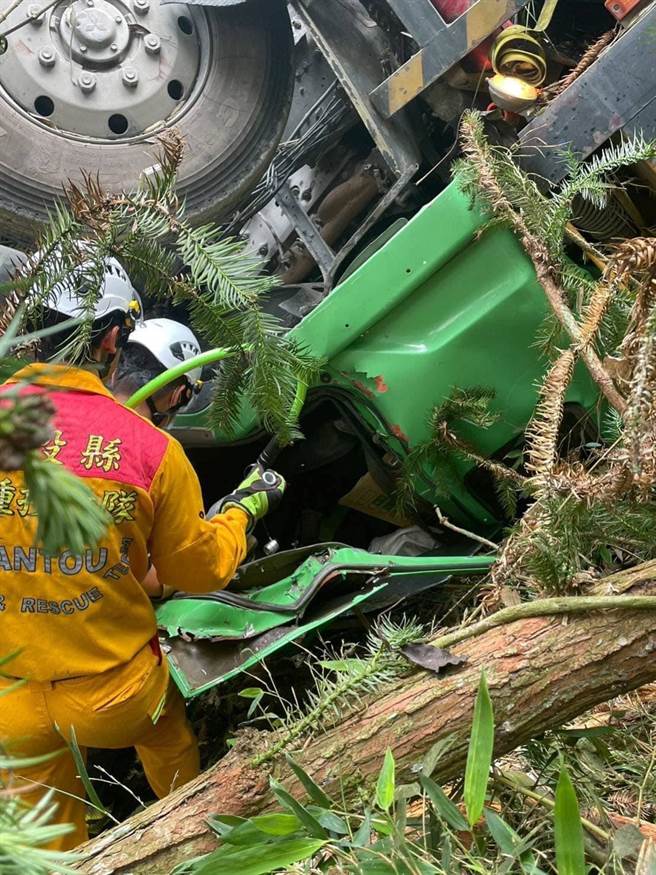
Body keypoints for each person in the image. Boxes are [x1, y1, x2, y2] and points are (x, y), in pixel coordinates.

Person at [0, 258, 285, 850]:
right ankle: (194, 842)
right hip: (117, 693)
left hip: (11, 697)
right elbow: (197, 570)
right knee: (168, 742)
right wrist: (244, 511)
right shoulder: (149, 451)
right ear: (109, 338)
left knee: (45, 833)